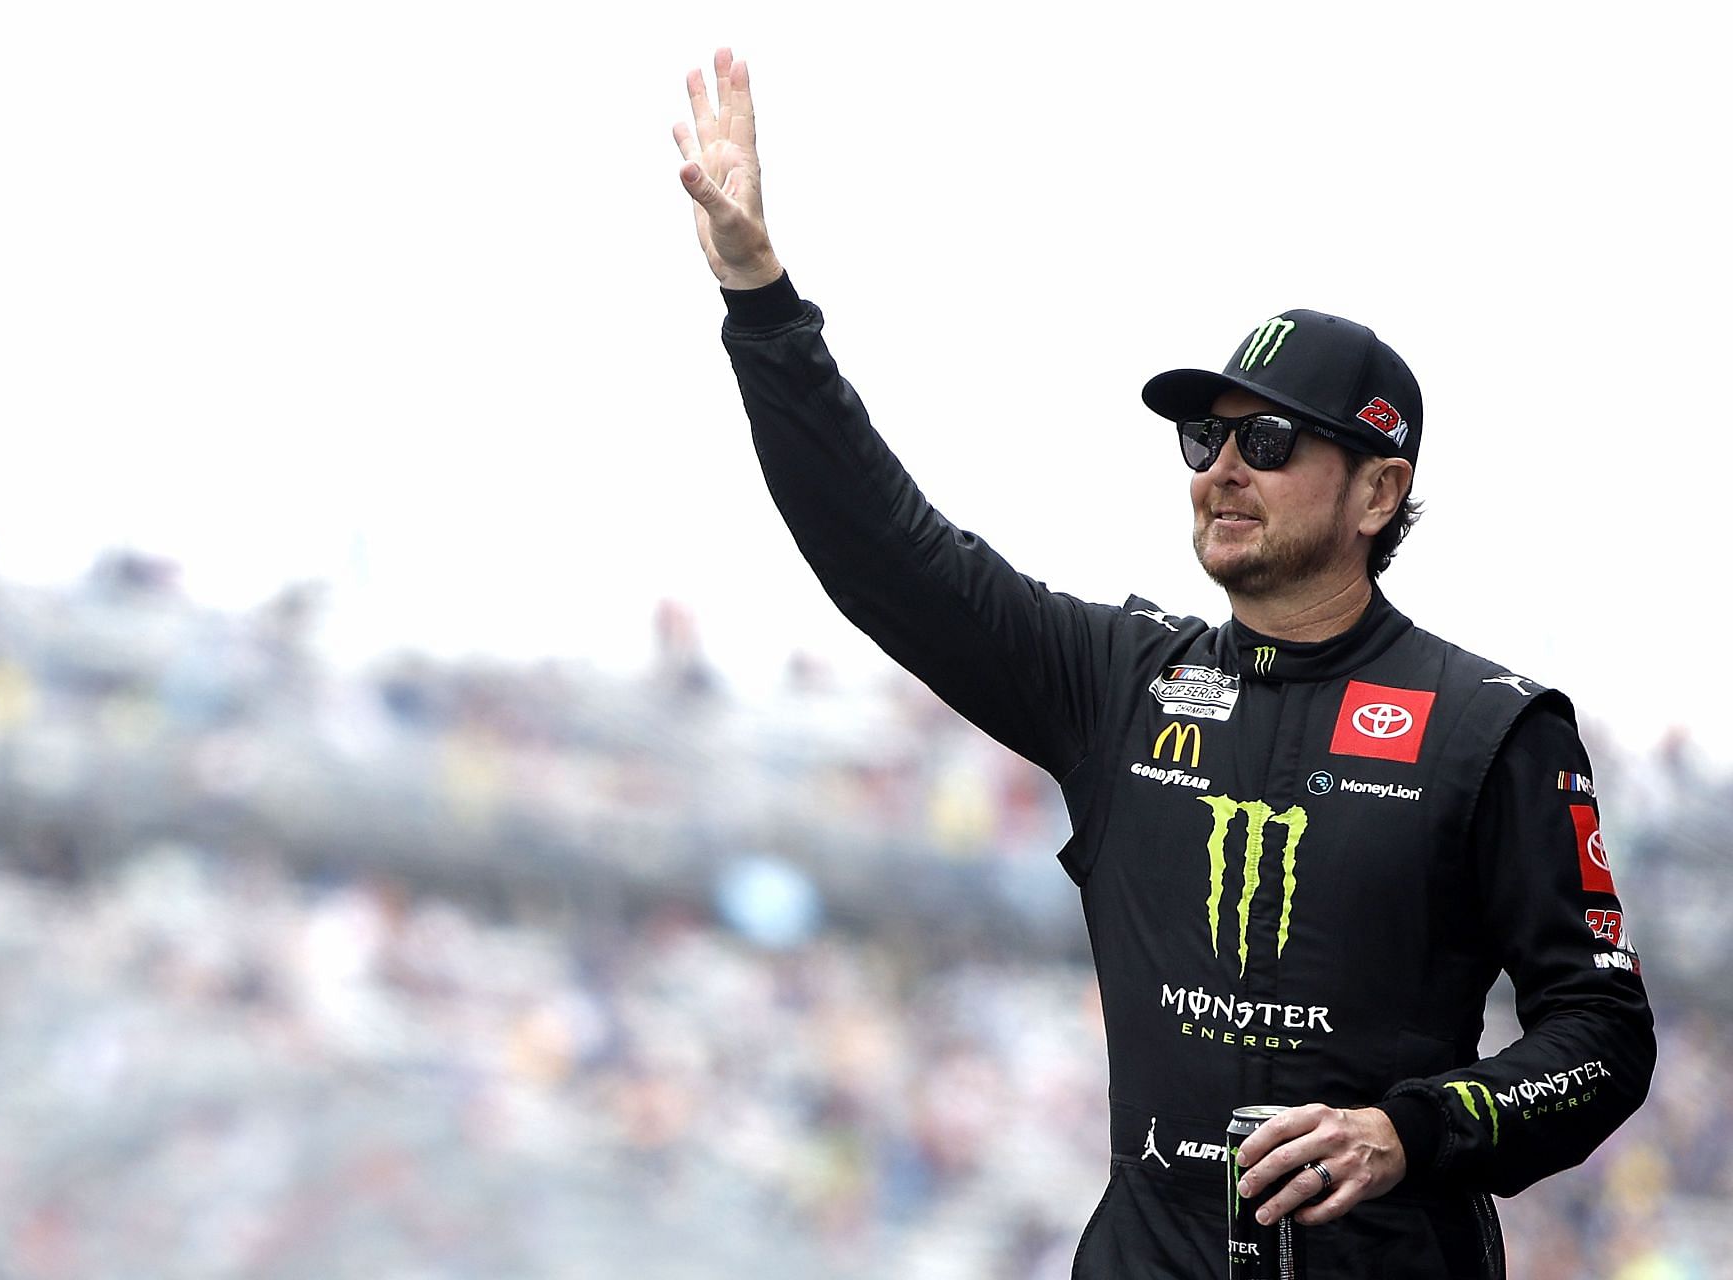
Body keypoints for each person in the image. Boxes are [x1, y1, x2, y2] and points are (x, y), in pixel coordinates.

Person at [673, 49, 1655, 1279]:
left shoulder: (1490, 727)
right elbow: (888, 555)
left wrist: (1413, 1128)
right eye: (1204, 435)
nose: (1218, 467)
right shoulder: (1120, 683)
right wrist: (762, 303)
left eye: (1268, 439)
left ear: (1377, 490)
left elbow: (1605, 1035)